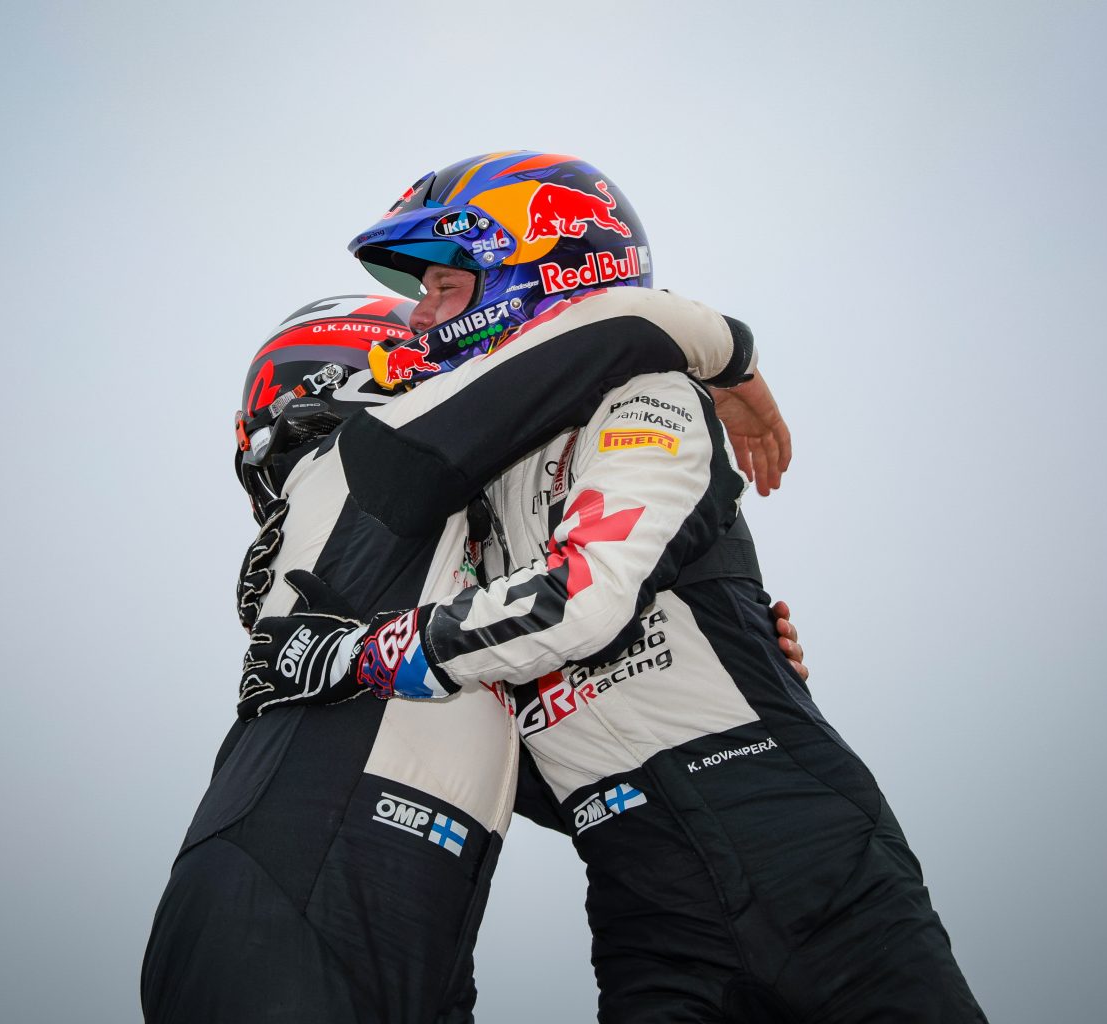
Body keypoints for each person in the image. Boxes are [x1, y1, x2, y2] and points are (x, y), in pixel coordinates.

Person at [247, 151, 988, 1022]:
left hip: (799, 843)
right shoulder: (475, 499)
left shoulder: (649, 395)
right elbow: (502, 743)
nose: (419, 314)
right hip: (642, 895)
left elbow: (581, 600)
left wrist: (362, 656)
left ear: (532, 276)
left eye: (445, 285)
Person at [141, 282, 788, 1022]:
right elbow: (618, 325)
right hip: (298, 878)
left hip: (405, 906)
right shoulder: (369, 459)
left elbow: (550, 750)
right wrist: (735, 368)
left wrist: (724, 652)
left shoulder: (429, 545)